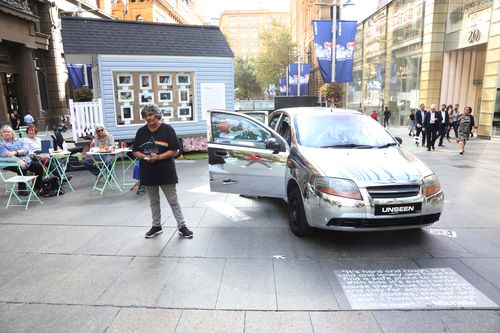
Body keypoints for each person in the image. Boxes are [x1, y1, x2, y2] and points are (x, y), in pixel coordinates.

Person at [133, 104, 193, 239]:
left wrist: (158, 157)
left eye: (150, 115)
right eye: (145, 116)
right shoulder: (141, 132)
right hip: (148, 170)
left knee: (173, 200)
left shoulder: (167, 129)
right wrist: (144, 156)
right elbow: (135, 151)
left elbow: (174, 150)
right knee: (153, 200)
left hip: (165, 170)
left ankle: (182, 226)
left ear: (157, 115)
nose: (148, 118)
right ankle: (156, 226)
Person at [0, 125, 44, 194]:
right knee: (22, 166)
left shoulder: (19, 140)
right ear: (2, 134)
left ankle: (37, 186)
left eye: (8, 132)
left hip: (24, 160)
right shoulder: (1, 144)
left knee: (38, 167)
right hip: (8, 163)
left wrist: (16, 152)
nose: (6, 133)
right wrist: (19, 160)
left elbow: (26, 150)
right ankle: (22, 190)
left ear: (12, 133)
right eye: (4, 132)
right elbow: (8, 155)